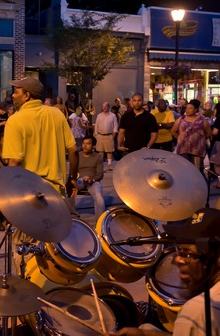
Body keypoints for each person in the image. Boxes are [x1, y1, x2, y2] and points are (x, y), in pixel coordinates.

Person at [3, 77, 78, 272]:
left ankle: (29, 293)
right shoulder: (56, 114)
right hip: (55, 195)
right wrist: (72, 179)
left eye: (17, 91)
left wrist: (6, 199)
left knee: (25, 251)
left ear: (27, 95)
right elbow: (73, 151)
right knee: (53, 251)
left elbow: (14, 163)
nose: (13, 94)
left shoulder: (15, 120)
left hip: (29, 199)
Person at [113, 207, 220, 336]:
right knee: (147, 327)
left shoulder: (197, 312)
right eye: (179, 251)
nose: (179, 259)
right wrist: (146, 335)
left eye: (188, 254)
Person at [171, 99, 212, 171]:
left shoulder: (202, 120)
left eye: (190, 108)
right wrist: (180, 138)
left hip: (197, 151)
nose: (187, 110)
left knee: (197, 170)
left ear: (196, 109)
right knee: (185, 170)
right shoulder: (181, 119)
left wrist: (200, 139)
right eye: (186, 108)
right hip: (183, 150)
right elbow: (173, 131)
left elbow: (209, 133)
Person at [78, 135, 105, 218]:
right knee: (67, 190)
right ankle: (71, 215)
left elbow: (100, 174)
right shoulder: (77, 155)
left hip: (93, 181)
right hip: (80, 180)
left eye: (88, 144)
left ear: (93, 146)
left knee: (99, 197)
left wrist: (92, 180)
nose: (85, 146)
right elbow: (72, 171)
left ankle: (99, 222)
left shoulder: (98, 157)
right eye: (83, 143)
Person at [94, 102, 119, 171]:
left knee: (109, 151)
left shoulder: (113, 115)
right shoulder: (99, 115)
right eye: (103, 106)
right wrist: (96, 134)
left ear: (109, 107)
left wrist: (113, 136)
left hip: (109, 135)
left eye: (106, 106)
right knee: (100, 151)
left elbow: (115, 126)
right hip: (100, 135)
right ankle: (101, 166)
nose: (104, 107)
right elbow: (96, 125)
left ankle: (109, 165)